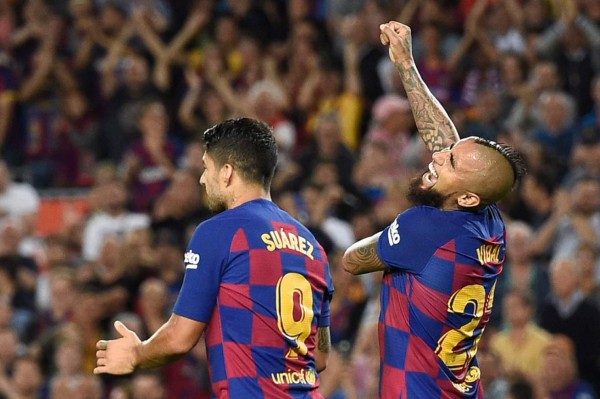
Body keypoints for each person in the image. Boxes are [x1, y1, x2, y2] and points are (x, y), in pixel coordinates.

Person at [342, 21, 525, 398]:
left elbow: (352, 260)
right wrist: (406, 65)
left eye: (452, 163)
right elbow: (447, 143)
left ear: (468, 197)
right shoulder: (490, 222)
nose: (439, 157)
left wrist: (393, 241)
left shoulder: (423, 228)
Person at [94, 118, 334, 398]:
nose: (202, 178)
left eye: (206, 167)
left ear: (227, 172)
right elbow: (319, 357)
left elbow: (180, 338)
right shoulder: (313, 245)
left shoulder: (219, 231)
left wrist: (137, 353)